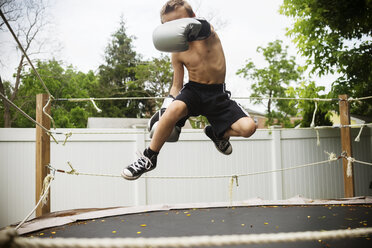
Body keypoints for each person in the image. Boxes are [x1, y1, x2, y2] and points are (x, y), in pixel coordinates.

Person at [121, 0, 256, 180]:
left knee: (249, 128)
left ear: (192, 18)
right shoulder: (177, 52)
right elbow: (177, 85)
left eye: (179, 22)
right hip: (194, 91)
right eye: (169, 25)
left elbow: (204, 27)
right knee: (174, 109)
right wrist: (165, 108)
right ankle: (149, 157)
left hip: (217, 95)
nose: (175, 28)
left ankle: (216, 133)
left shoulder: (209, 34)